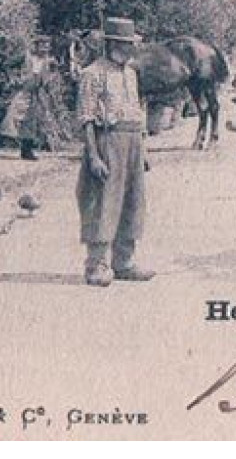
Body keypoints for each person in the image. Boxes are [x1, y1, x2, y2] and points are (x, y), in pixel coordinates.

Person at [76, 18, 154, 287]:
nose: (130, 50)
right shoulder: (92, 73)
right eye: (125, 45)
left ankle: (124, 262)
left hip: (132, 140)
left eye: (132, 45)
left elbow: (136, 111)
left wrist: (142, 150)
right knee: (102, 200)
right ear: (111, 45)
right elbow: (86, 117)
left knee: (133, 200)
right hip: (107, 140)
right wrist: (94, 155)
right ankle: (96, 265)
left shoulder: (131, 74)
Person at [0, 36, 64, 161]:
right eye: (42, 45)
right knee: (16, 117)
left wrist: (52, 77)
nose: (45, 48)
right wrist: (13, 79)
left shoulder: (48, 61)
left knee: (32, 121)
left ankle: (27, 150)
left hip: (37, 93)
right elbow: (7, 64)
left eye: (47, 46)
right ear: (36, 46)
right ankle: (10, 142)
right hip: (23, 91)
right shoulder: (26, 56)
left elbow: (52, 76)